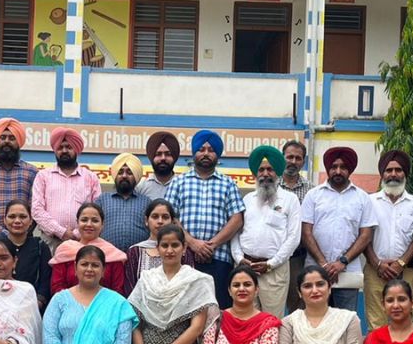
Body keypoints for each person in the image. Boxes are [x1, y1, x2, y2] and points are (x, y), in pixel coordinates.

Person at [166, 130, 245, 308]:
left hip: (219, 259)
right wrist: (192, 243)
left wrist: (211, 245)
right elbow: (170, 217)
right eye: (201, 149)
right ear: (194, 153)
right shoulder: (178, 182)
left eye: (211, 150)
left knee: (216, 309)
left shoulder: (228, 183)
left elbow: (237, 219)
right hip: (184, 257)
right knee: (183, 309)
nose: (206, 153)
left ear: (217, 155)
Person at [300, 146, 376, 313]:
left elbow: (365, 235)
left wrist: (342, 262)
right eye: (334, 167)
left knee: (345, 321)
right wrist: (323, 264)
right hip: (315, 270)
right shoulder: (313, 195)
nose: (338, 171)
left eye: (343, 167)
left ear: (350, 170)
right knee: (315, 319)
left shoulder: (362, 198)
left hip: (348, 272)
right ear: (328, 169)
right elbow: (306, 233)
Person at [232, 145, 301, 315]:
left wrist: (271, 264)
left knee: (271, 321)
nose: (265, 174)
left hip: (274, 271)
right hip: (246, 269)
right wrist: (239, 258)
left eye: (270, 169)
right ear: (255, 174)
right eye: (261, 170)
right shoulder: (247, 199)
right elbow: (236, 233)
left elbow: (293, 238)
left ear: (278, 172)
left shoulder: (290, 199)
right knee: (246, 319)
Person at [362, 150, 413, 333]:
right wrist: (378, 264)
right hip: (375, 271)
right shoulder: (369, 201)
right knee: (376, 325)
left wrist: (400, 263)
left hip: (407, 271)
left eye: (398, 170)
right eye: (388, 170)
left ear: (405, 174)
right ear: (382, 174)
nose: (393, 174)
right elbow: (364, 237)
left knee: (405, 322)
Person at [32, 127, 101, 254]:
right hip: (50, 242)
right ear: (55, 150)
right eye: (60, 147)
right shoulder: (43, 176)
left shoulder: (90, 178)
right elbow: (37, 210)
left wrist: (77, 233)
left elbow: (97, 210)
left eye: (69, 147)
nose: (64, 151)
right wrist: (61, 232)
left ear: (76, 149)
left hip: (83, 241)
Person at [0, 200, 52, 311]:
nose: (17, 221)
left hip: (30, 308)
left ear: (31, 220)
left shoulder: (40, 246)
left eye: (23, 217)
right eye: (12, 216)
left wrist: (34, 306)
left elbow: (45, 283)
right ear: (4, 220)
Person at [0, 117, 39, 238]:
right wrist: (1, 233)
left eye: (12, 138)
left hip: (23, 239)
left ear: (19, 142)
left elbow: (35, 209)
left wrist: (19, 233)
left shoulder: (32, 172)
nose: (7, 141)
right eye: (3, 137)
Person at [49, 202, 127, 294]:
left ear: (102, 225)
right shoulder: (65, 251)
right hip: (67, 302)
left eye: (95, 221)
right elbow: (57, 286)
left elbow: (118, 289)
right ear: (77, 223)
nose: (89, 224)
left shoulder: (113, 255)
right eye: (84, 220)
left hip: (106, 303)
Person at [125, 198, 196, 292]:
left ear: (172, 221)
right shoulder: (135, 251)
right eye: (155, 217)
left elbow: (190, 286)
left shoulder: (183, 251)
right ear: (146, 220)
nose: (160, 221)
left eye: (165, 217)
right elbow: (130, 288)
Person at [279, 139, 311, 312]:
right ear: (282, 157)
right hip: (272, 257)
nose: (293, 161)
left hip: (297, 258)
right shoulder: (271, 185)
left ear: (303, 162)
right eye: (289, 157)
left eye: (298, 158)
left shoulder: (311, 191)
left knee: (297, 308)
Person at [94, 152, 149, 252]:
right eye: (120, 172)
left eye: (129, 172)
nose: (124, 176)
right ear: (115, 175)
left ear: (136, 177)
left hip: (139, 256)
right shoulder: (102, 199)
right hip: (108, 256)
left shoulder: (147, 202)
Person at [135, 130, 180, 200]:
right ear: (151, 157)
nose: (163, 158)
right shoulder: (141, 187)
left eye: (168, 154)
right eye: (158, 154)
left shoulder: (182, 185)